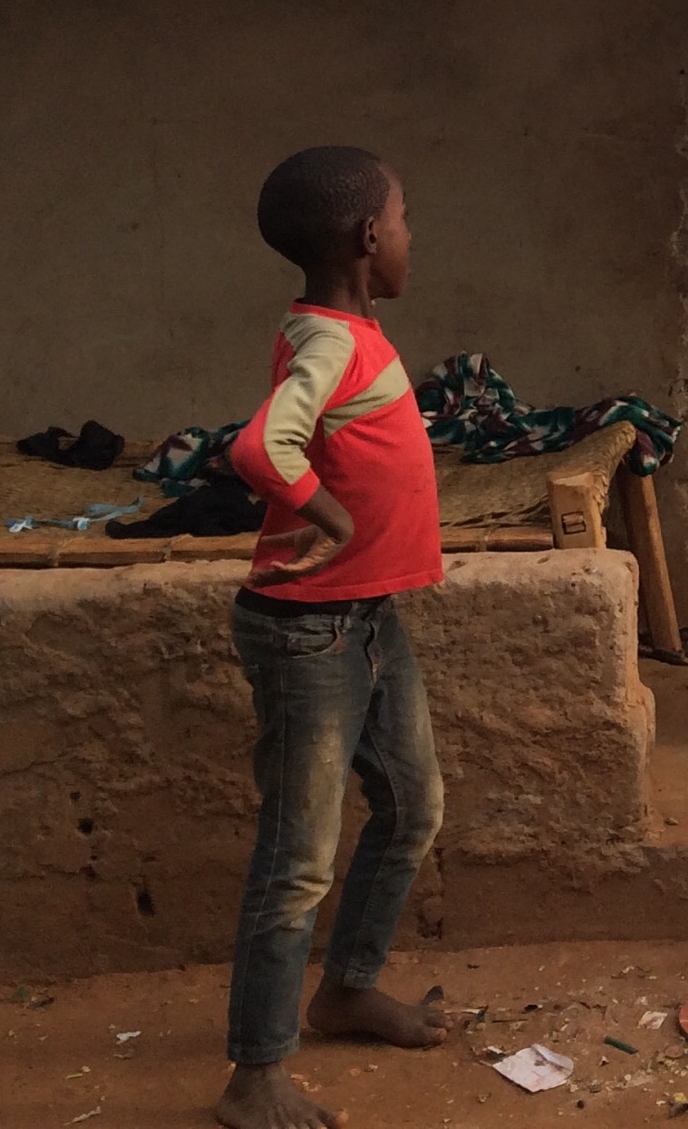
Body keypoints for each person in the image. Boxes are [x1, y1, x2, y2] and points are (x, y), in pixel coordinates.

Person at [215, 146, 450, 1129]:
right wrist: (338, 521)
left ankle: (347, 989)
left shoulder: (345, 328)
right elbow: (259, 446)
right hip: (307, 636)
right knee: (299, 859)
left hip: (367, 619)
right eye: (403, 219)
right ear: (367, 237)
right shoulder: (327, 345)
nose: (410, 236)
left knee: (412, 807)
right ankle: (255, 1075)